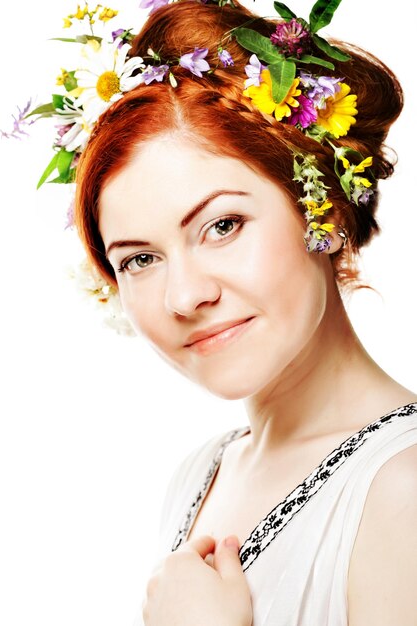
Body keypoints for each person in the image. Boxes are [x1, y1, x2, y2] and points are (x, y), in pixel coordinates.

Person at [62, 0, 417, 624]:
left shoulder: (403, 491)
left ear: (324, 210)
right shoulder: (203, 473)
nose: (184, 296)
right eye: (140, 260)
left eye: (222, 225)